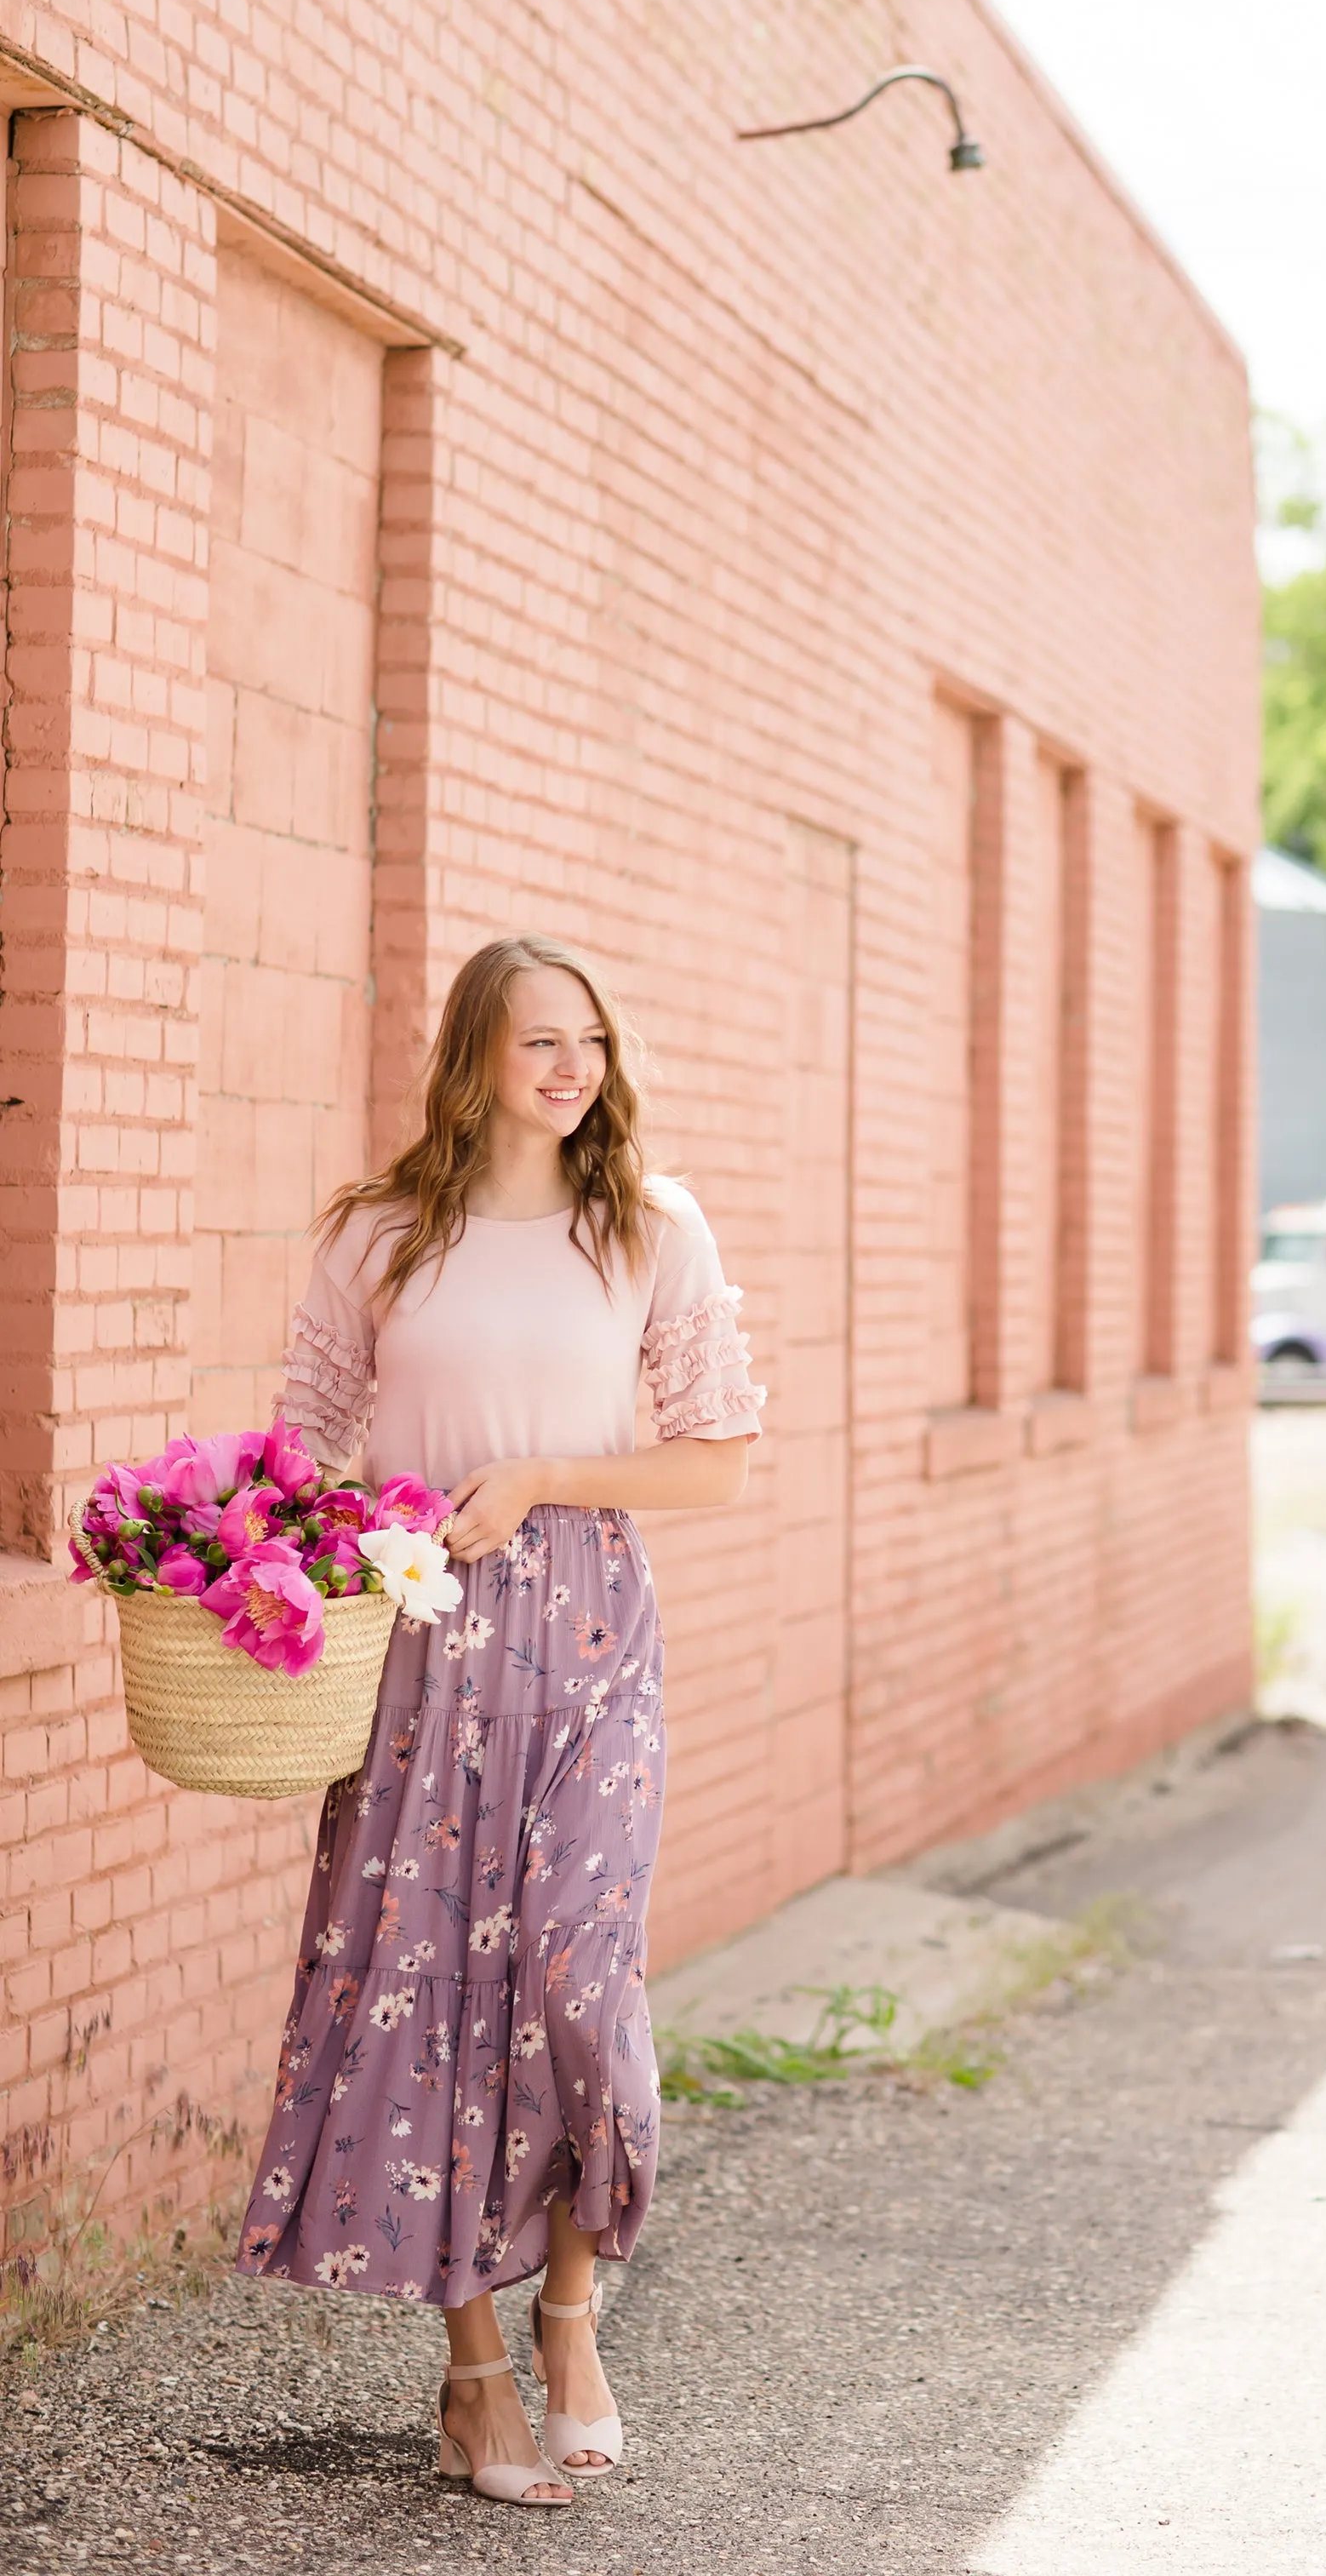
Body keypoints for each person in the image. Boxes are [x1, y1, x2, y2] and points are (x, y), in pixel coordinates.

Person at [234, 935, 763, 2507]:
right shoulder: (380, 1235)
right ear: (470, 1056)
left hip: (592, 1628)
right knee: (418, 1986)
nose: (569, 1068)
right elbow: (302, 1453)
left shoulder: (646, 1226)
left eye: (589, 1040)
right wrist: (311, 1547)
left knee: (575, 1974)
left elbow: (718, 1457)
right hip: (415, 1636)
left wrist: (537, 1478)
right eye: (536, 1041)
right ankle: (475, 2378)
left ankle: (572, 2311)